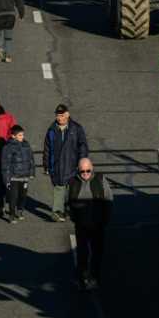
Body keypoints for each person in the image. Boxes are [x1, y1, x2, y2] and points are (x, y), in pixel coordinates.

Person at [67, 158, 112, 290]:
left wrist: (105, 219)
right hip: (81, 225)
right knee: (82, 253)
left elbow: (109, 199)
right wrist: (74, 217)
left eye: (88, 171)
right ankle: (82, 278)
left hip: (98, 224)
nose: (85, 173)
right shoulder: (72, 182)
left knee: (97, 252)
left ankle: (94, 277)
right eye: (82, 171)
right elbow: (67, 201)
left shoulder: (100, 179)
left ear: (92, 169)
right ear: (78, 171)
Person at [43, 104, 89, 222]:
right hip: (57, 166)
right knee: (59, 187)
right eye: (58, 116)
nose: (59, 118)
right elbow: (47, 149)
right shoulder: (51, 130)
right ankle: (57, 212)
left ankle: (68, 210)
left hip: (72, 165)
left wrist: (82, 162)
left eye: (62, 115)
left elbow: (83, 146)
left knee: (72, 190)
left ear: (67, 115)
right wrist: (46, 165)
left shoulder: (76, 129)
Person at [0, 124, 35, 222]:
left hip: (24, 177)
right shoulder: (8, 147)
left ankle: (20, 210)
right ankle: (11, 215)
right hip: (13, 177)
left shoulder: (26, 144)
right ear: (13, 136)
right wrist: (6, 179)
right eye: (20, 135)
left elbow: (31, 159)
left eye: (23, 135)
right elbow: (5, 164)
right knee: (13, 196)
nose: (22, 137)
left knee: (23, 195)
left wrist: (31, 172)